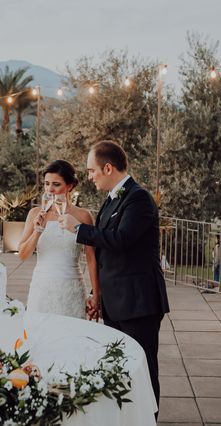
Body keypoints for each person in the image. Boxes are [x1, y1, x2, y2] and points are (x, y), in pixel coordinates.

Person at [59, 140, 169, 407]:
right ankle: (126, 422)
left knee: (142, 368)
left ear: (107, 168)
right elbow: (105, 252)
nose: (89, 177)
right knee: (119, 366)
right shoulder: (109, 201)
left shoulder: (139, 198)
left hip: (138, 301)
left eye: (91, 170)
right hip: (114, 301)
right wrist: (97, 294)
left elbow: (121, 239)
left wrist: (78, 230)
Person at [19, 160, 99, 319]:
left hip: (71, 288)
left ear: (70, 186)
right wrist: (38, 231)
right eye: (46, 184)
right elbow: (22, 255)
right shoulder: (35, 214)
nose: (50, 189)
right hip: (41, 288)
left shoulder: (83, 216)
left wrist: (96, 295)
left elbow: (92, 260)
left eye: (56, 184)